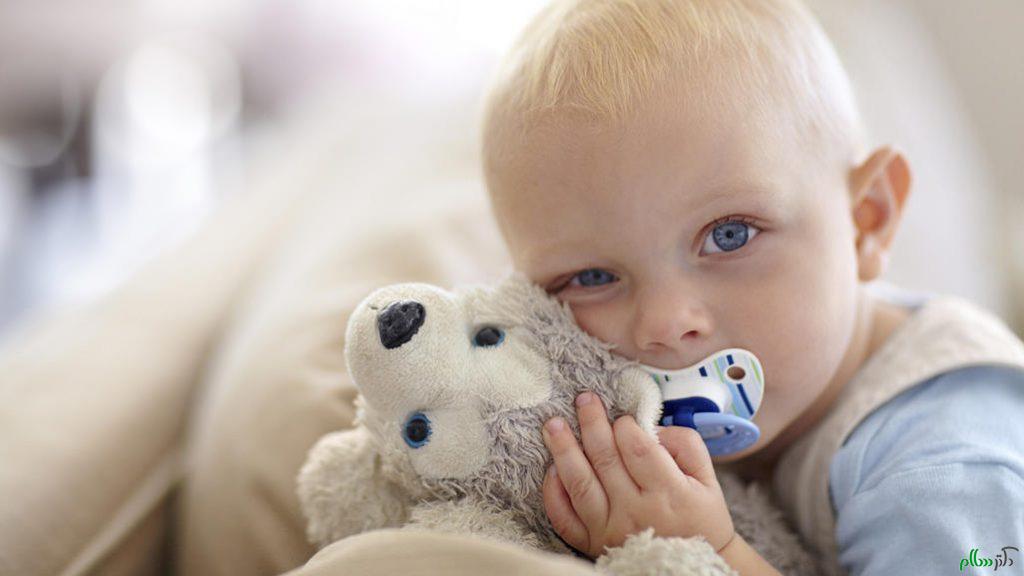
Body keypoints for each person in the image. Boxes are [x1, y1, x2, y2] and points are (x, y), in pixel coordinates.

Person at [478, 0, 1024, 574]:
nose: (665, 323)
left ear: (866, 221)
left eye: (730, 235)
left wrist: (709, 553)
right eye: (592, 278)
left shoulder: (945, 469)